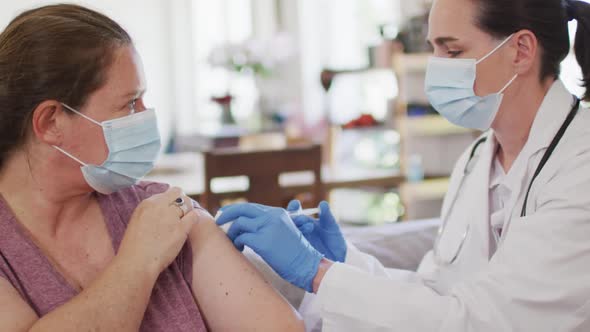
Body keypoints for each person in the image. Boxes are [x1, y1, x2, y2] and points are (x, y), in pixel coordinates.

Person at [216, 0, 590, 330]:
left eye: (453, 51)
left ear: (521, 50)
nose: (436, 69)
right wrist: (345, 262)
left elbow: (487, 322)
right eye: (434, 50)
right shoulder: (478, 159)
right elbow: (434, 294)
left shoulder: (580, 164)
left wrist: (317, 273)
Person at [0, 4, 305, 332]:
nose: (146, 116)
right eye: (130, 103)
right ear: (51, 122)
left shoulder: (163, 209)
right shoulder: (157, 229)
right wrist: (138, 260)